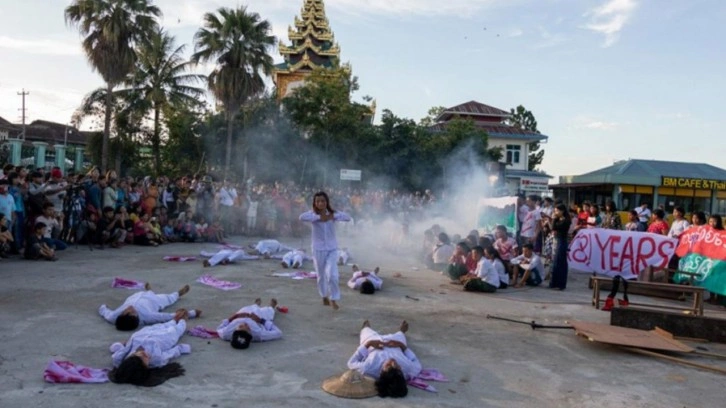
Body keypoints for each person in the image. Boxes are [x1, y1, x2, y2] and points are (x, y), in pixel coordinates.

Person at [108, 309, 190, 386]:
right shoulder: (157, 360)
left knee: (162, 325)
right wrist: (180, 348)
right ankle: (182, 319)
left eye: (137, 355)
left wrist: (120, 346)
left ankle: (173, 320)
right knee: (176, 329)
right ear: (147, 368)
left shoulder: (121, 359)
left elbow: (119, 355)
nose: (143, 353)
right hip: (164, 338)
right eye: (145, 358)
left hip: (143, 334)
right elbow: (169, 354)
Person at [299, 191, 351, 310]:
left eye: (323, 201)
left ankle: (334, 298)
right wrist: (318, 217)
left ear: (326, 202)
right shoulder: (312, 215)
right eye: (318, 201)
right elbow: (301, 217)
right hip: (318, 249)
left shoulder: (333, 214)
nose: (321, 203)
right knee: (321, 276)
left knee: (332, 275)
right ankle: (323, 295)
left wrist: (333, 216)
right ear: (315, 203)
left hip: (332, 249)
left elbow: (348, 218)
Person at [347, 320, 421, 398]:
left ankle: (366, 327)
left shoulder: (368, 368)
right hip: (396, 342)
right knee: (401, 335)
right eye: (397, 366)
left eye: (388, 366)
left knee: (366, 329)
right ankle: (402, 331)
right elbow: (415, 361)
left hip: (373, 341)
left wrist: (368, 344)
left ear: (381, 373)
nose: (393, 362)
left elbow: (351, 363)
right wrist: (402, 345)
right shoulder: (408, 370)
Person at [99, 284, 200, 331]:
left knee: (148, 293)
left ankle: (149, 290)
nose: (131, 308)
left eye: (128, 311)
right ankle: (178, 294)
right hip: (153, 301)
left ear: (122, 315)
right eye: (133, 312)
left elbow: (105, 312)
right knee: (168, 298)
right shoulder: (147, 317)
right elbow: (167, 317)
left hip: (136, 296)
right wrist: (192, 313)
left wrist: (103, 307)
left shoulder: (113, 317)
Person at [217, 298, 283, 349]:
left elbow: (219, 328)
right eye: (248, 329)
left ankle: (256, 304)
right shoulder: (258, 335)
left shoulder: (226, 333)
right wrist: (261, 321)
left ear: (234, 331)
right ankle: (271, 306)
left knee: (246, 308)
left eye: (240, 326)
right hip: (257, 319)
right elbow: (279, 333)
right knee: (267, 312)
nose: (245, 325)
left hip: (240, 315)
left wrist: (232, 318)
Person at [549, 204, 571, 290]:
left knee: (560, 262)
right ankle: (554, 283)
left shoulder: (566, 220)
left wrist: (554, 218)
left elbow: (554, 227)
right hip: (557, 240)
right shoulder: (558, 219)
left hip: (562, 241)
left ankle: (561, 284)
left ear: (562, 211)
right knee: (555, 262)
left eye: (557, 210)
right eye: (555, 210)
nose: (555, 212)